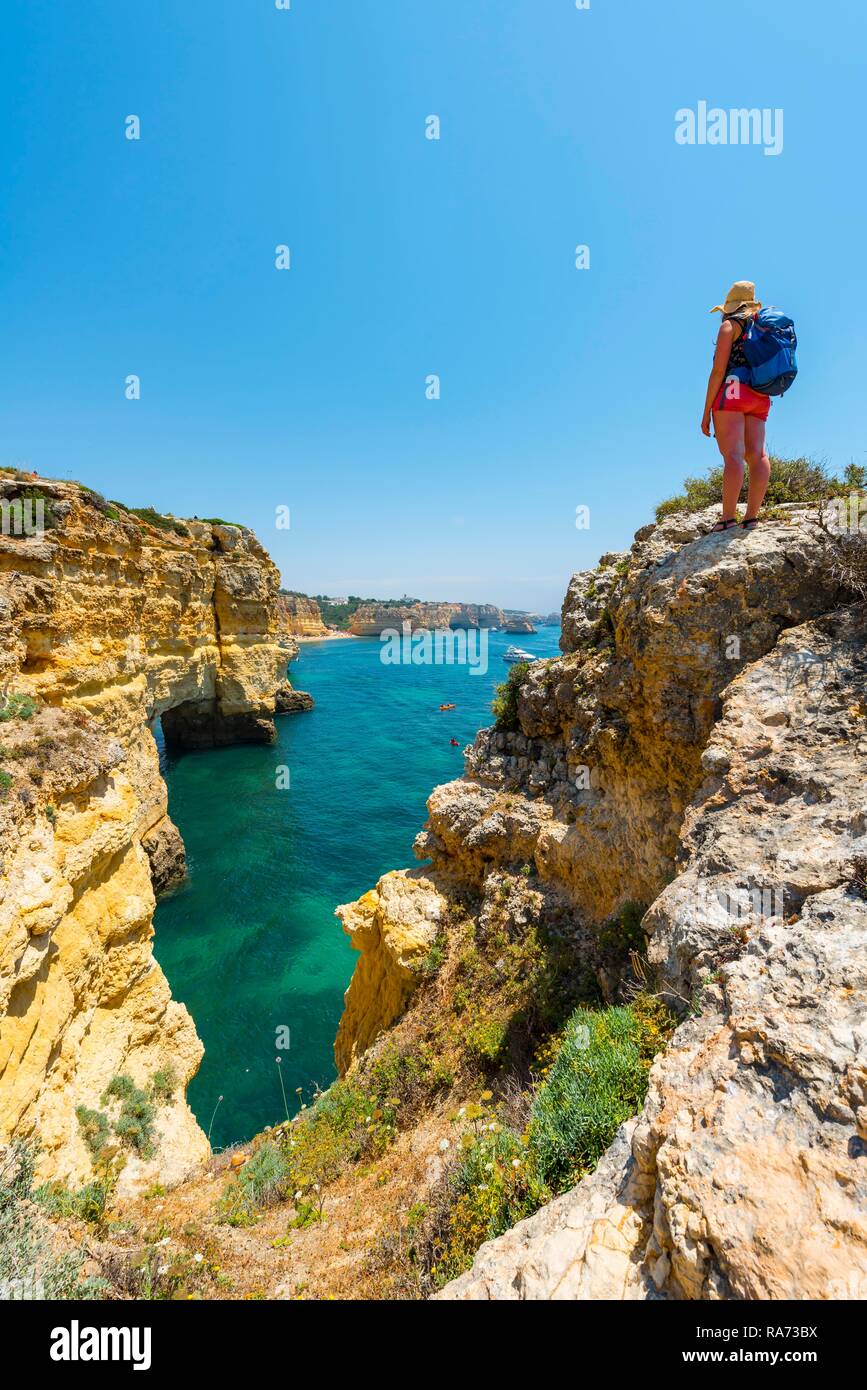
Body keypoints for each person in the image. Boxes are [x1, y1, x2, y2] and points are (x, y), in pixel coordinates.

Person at [700, 280, 772, 533]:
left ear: (729, 307)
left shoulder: (729, 326)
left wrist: (706, 410)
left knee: (732, 455)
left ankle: (728, 518)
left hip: (732, 391)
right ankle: (751, 517)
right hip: (760, 395)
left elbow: (718, 370)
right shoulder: (763, 326)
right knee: (758, 455)